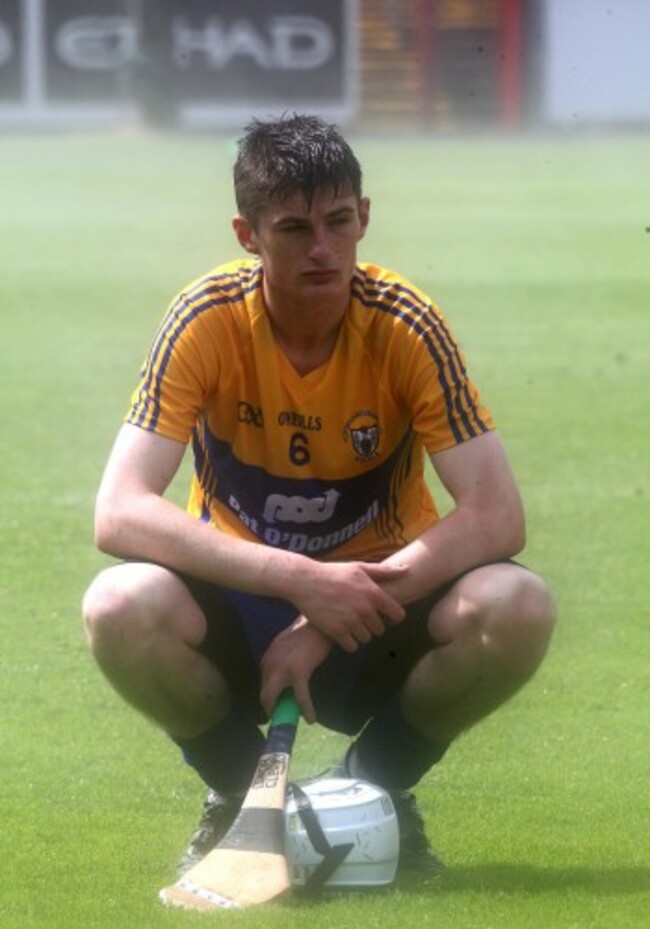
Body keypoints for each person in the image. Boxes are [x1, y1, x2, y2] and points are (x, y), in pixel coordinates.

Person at [82, 114, 556, 876]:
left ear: (364, 215)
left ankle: (374, 790)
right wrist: (300, 581)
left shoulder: (406, 324)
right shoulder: (204, 320)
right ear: (247, 233)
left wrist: (333, 616)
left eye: (339, 222)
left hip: (381, 610)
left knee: (518, 607)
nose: (324, 250)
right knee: (117, 606)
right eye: (295, 228)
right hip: (245, 608)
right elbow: (120, 509)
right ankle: (244, 797)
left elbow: (499, 515)